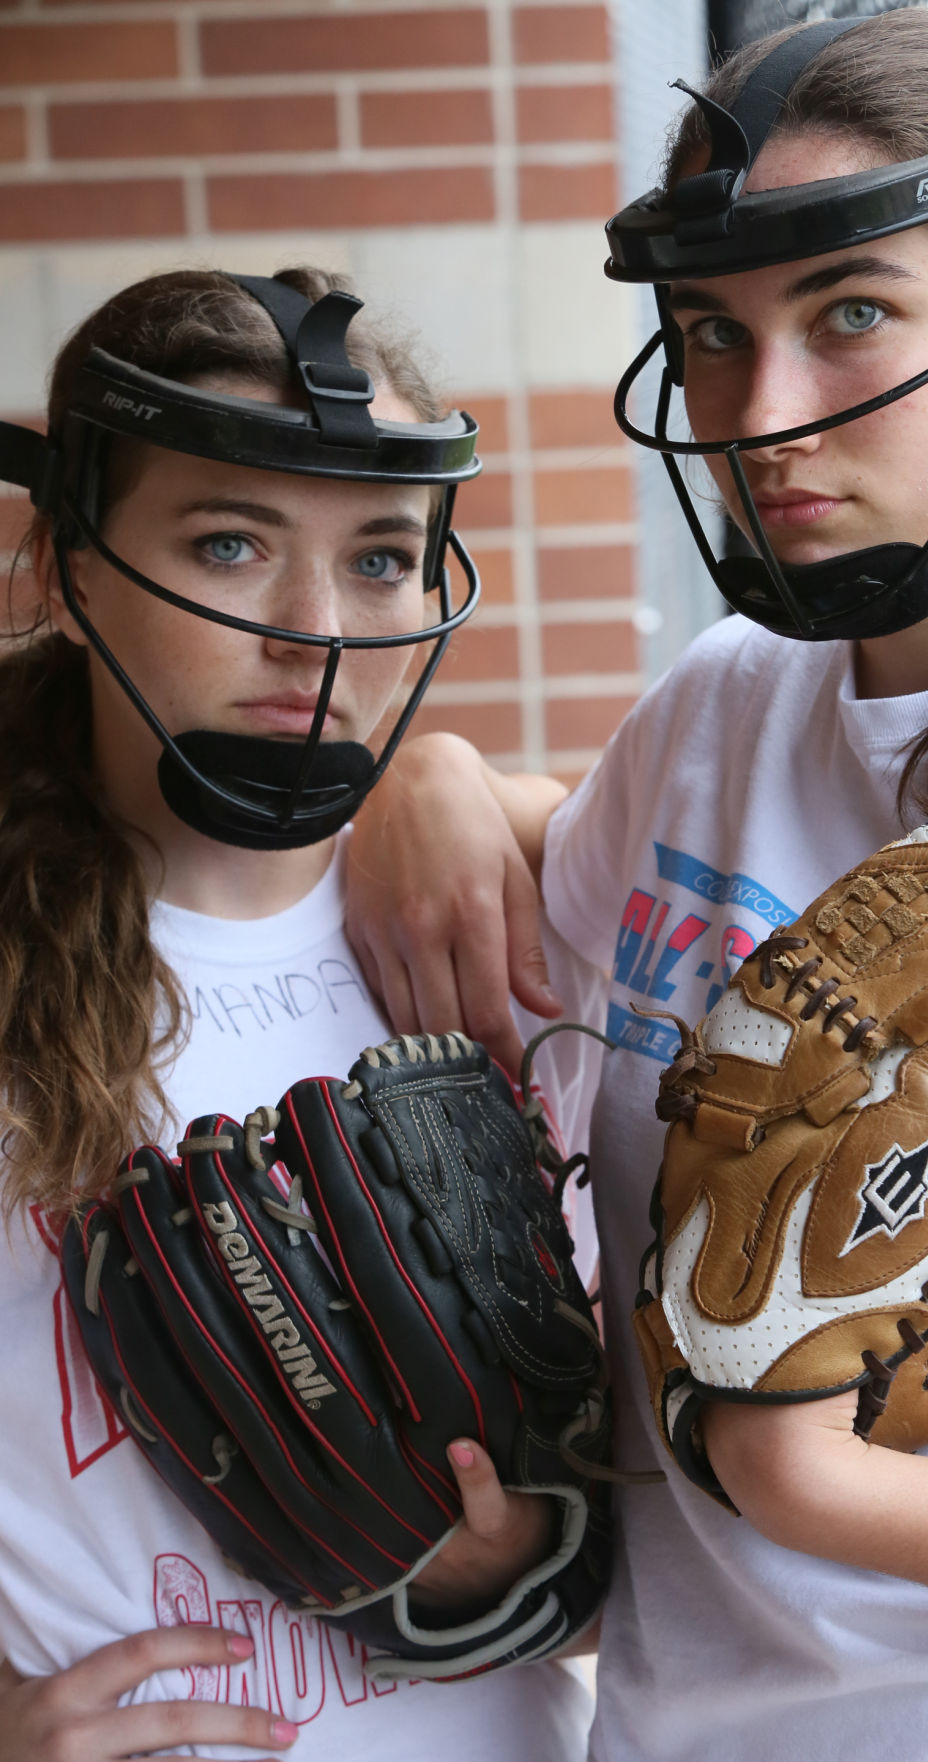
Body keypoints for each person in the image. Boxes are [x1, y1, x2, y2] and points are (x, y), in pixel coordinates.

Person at [344, 10, 928, 1759]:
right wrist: (428, 782)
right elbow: (580, 893)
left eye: (853, 312)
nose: (766, 415)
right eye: (715, 335)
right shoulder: (724, 704)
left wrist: (812, 1481)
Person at [0, 266, 600, 1761]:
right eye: (229, 541)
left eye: (385, 558)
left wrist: (516, 1556)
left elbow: (678, 1570)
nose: (316, 630)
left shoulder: (510, 930)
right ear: (58, 571)